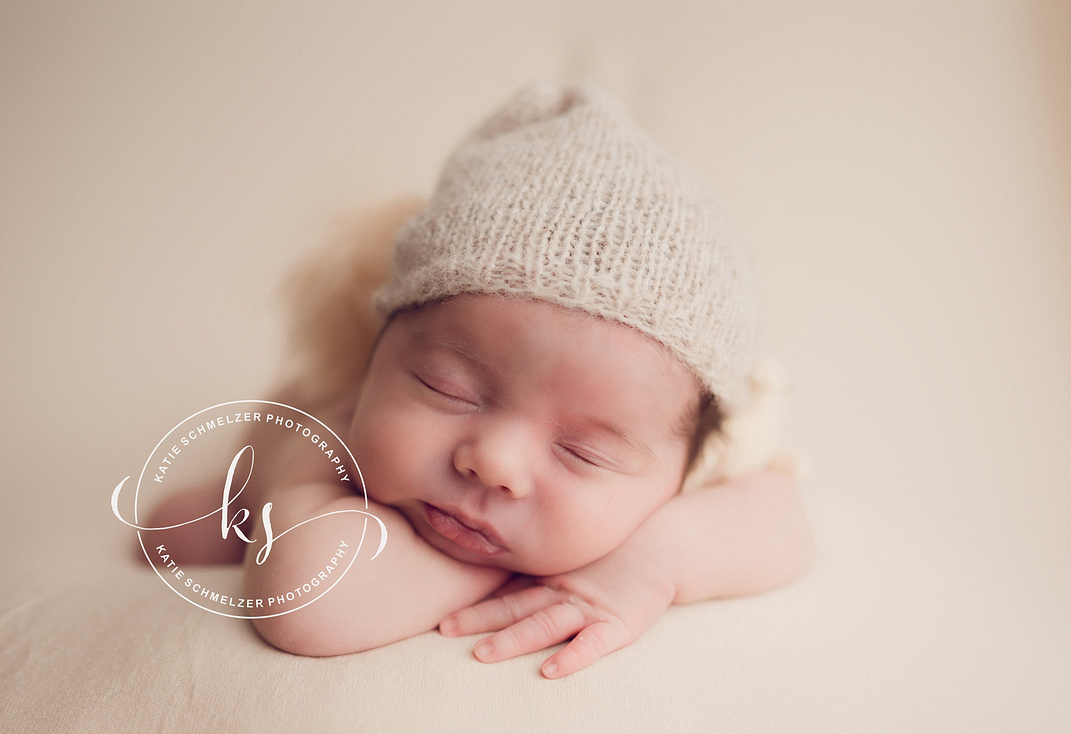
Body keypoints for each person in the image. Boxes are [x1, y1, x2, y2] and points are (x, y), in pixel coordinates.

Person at [146, 82, 814, 679]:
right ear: (377, 358)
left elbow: (787, 521)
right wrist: (523, 566)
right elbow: (311, 601)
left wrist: (652, 562)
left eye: (585, 451)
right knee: (173, 533)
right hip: (262, 477)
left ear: (685, 471)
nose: (494, 461)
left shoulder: (704, 463)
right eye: (447, 388)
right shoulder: (330, 446)